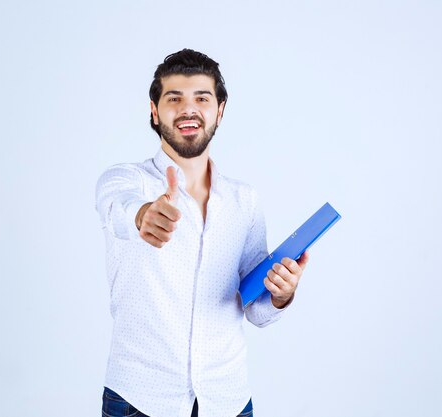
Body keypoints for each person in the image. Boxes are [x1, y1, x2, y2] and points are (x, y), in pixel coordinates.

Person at [95, 49, 309, 417]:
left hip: (227, 399)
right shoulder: (125, 180)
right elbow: (118, 207)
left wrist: (280, 294)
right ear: (154, 110)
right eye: (174, 98)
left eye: (202, 98)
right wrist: (144, 215)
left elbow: (254, 308)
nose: (187, 109)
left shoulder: (244, 200)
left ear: (220, 111)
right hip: (139, 400)